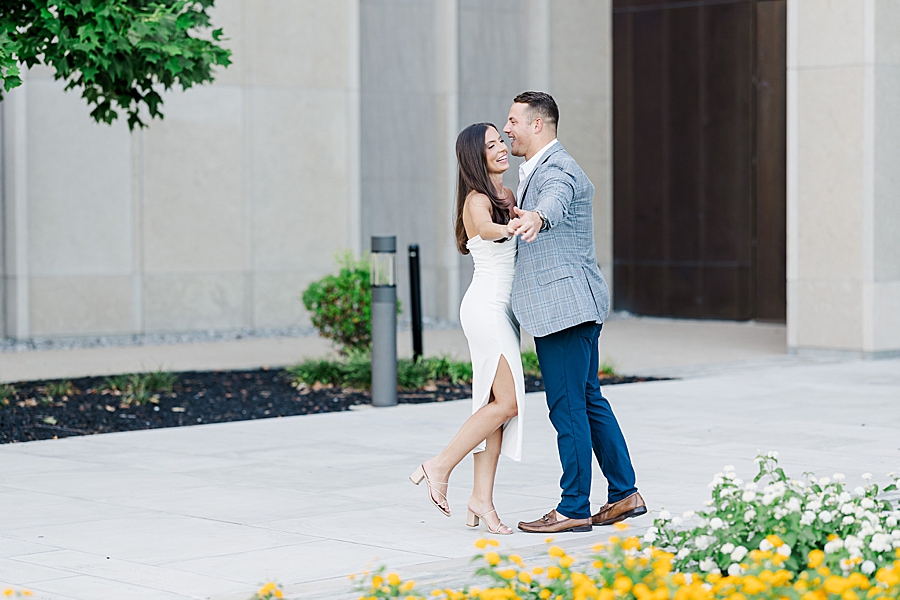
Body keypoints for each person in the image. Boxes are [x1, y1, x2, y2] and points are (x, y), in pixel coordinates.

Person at [504, 91, 646, 534]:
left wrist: (536, 219)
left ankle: (573, 507)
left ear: (538, 125)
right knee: (587, 401)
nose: (507, 129)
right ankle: (624, 494)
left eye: (513, 121)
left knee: (568, 408)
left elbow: (555, 201)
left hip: (562, 309)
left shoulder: (558, 169)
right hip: (576, 305)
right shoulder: (544, 168)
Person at [409, 123, 525, 535]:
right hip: (485, 308)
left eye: (500, 142)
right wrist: (509, 227)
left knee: (494, 409)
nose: (500, 149)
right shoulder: (477, 200)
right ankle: (439, 465)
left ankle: (481, 500)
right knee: (507, 404)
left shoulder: (507, 196)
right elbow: (489, 229)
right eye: (490, 146)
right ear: (475, 158)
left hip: (503, 311)